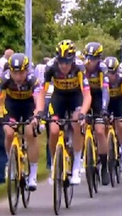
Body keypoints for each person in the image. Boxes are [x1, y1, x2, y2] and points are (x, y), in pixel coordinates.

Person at [42, 40, 91, 185]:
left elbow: (87, 95)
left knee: (76, 122)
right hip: (59, 97)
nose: (64, 66)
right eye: (61, 62)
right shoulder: (50, 67)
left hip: (76, 97)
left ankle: (76, 166)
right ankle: (53, 164)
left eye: (67, 62)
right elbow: (42, 92)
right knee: (54, 129)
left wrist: (83, 112)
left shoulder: (79, 67)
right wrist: (39, 110)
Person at [0, 53, 44, 190]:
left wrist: (37, 115)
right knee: (8, 132)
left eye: (21, 72)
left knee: (29, 132)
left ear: (27, 70)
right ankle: (12, 162)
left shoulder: (33, 80)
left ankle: (32, 174)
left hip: (28, 106)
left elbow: (38, 99)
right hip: (12, 105)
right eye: (15, 73)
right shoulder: (4, 79)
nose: (18, 77)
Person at [83, 42, 110, 185]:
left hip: (99, 97)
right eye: (88, 58)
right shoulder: (81, 68)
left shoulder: (102, 69)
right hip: (84, 96)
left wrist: (104, 109)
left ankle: (104, 166)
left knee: (100, 131)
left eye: (94, 59)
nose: (91, 62)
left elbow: (105, 90)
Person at [103, 56, 122, 170]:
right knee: (103, 125)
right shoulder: (102, 79)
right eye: (108, 73)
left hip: (118, 101)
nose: (110, 75)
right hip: (106, 102)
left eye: (113, 72)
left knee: (120, 125)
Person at [34, 57, 52, 169]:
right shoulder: (46, 82)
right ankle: (50, 162)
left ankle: (49, 163)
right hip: (48, 103)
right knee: (52, 133)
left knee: (51, 135)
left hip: (51, 103)